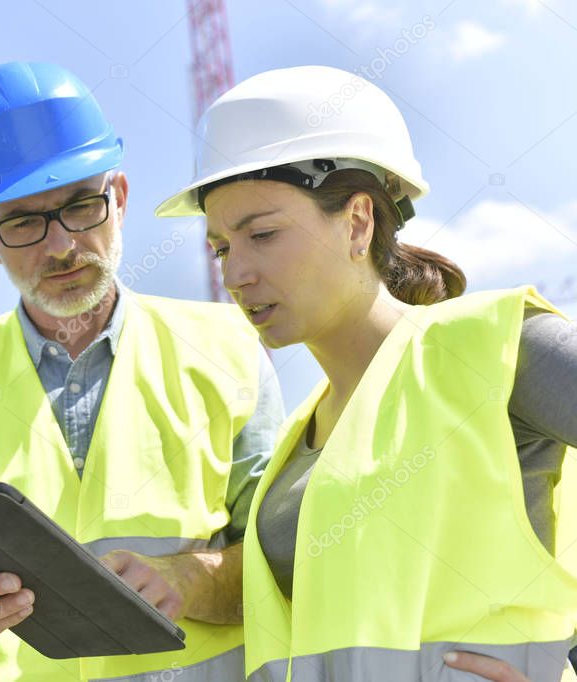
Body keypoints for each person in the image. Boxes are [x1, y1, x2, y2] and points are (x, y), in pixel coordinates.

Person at [0, 61, 285, 681]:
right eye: (25, 221)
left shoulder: (229, 350)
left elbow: (291, 556)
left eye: (81, 206)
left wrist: (194, 579)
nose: (60, 246)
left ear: (121, 200)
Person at [155, 65, 577, 682]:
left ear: (357, 222)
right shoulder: (297, 440)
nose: (235, 273)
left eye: (263, 235)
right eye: (221, 247)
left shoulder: (493, 345)